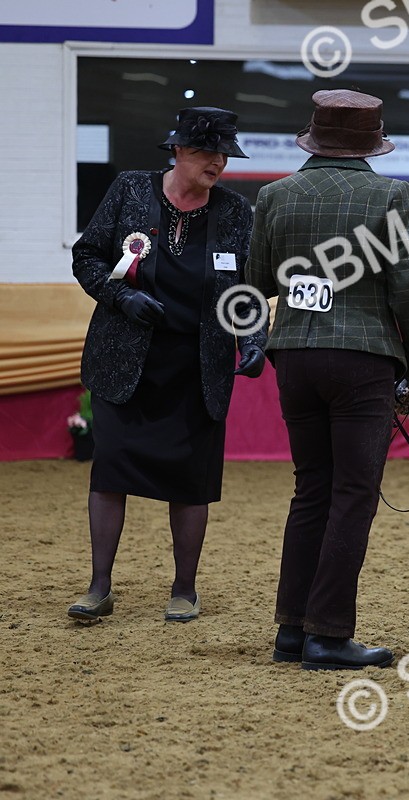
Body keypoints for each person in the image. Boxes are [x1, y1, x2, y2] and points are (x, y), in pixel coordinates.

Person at [245, 90, 409, 670]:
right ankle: (328, 635)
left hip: (294, 357)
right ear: (371, 143)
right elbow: (407, 287)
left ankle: (291, 630)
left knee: (311, 491)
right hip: (362, 359)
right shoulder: (391, 195)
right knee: (353, 495)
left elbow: (258, 283)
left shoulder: (274, 195)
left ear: (315, 136)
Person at [68, 107, 266, 623]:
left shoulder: (235, 211)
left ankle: (184, 590)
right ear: (177, 151)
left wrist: (253, 340)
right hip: (125, 362)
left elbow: (247, 288)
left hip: (198, 369)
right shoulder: (130, 190)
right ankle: (99, 587)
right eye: (206, 152)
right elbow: (87, 257)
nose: (217, 163)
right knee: (110, 470)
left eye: (224, 154)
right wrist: (120, 297)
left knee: (190, 480)